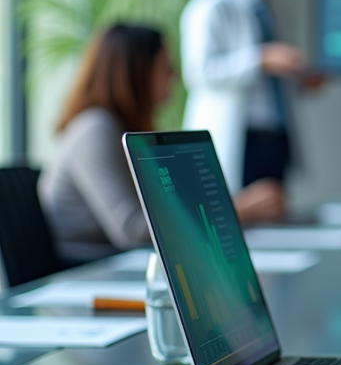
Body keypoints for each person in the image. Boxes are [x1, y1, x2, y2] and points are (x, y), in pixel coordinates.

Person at [40, 24, 285, 263]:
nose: (174, 76)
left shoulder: (122, 130)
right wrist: (237, 210)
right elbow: (132, 230)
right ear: (137, 73)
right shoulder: (94, 130)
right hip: (88, 270)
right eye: (165, 67)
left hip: (116, 264)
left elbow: (165, 208)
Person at [181, 0, 321, 194]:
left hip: (277, 138)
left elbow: (271, 84)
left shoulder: (274, 12)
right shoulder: (210, 6)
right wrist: (260, 59)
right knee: (242, 220)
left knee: (274, 222)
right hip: (240, 138)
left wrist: (301, 80)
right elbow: (198, 72)